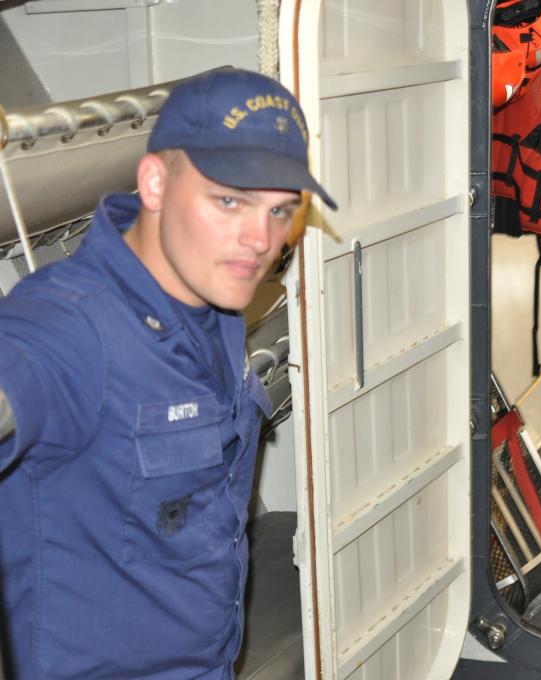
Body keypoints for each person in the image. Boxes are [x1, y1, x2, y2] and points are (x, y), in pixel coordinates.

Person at [0, 67, 336, 678]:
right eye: (230, 200)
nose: (260, 239)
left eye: (281, 210)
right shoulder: (67, 329)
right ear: (154, 182)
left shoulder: (213, 303)